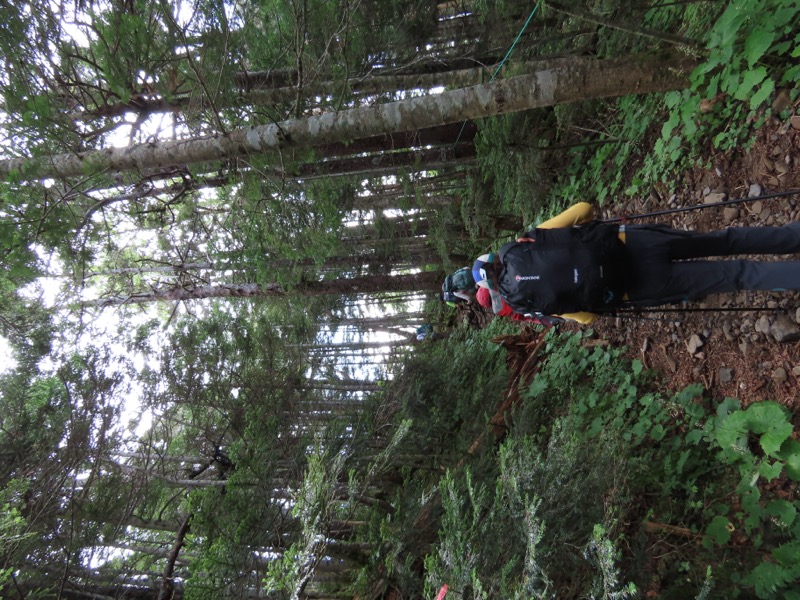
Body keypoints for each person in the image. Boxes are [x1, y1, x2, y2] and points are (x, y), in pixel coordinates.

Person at [472, 201, 800, 325]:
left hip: (636, 287)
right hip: (635, 243)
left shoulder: (523, 300)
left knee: (739, 275)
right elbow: (584, 208)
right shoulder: (524, 246)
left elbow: (586, 318)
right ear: (496, 258)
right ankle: (792, 236)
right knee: (723, 240)